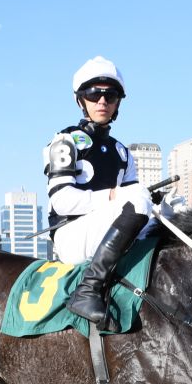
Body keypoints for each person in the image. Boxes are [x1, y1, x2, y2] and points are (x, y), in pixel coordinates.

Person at [43, 56, 151, 326]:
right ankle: (87, 290)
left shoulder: (122, 152)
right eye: (94, 94)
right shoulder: (64, 141)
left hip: (107, 230)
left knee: (169, 214)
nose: (102, 101)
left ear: (117, 103)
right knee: (138, 202)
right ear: (81, 100)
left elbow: (135, 201)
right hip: (71, 234)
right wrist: (113, 196)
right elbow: (62, 201)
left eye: (110, 95)